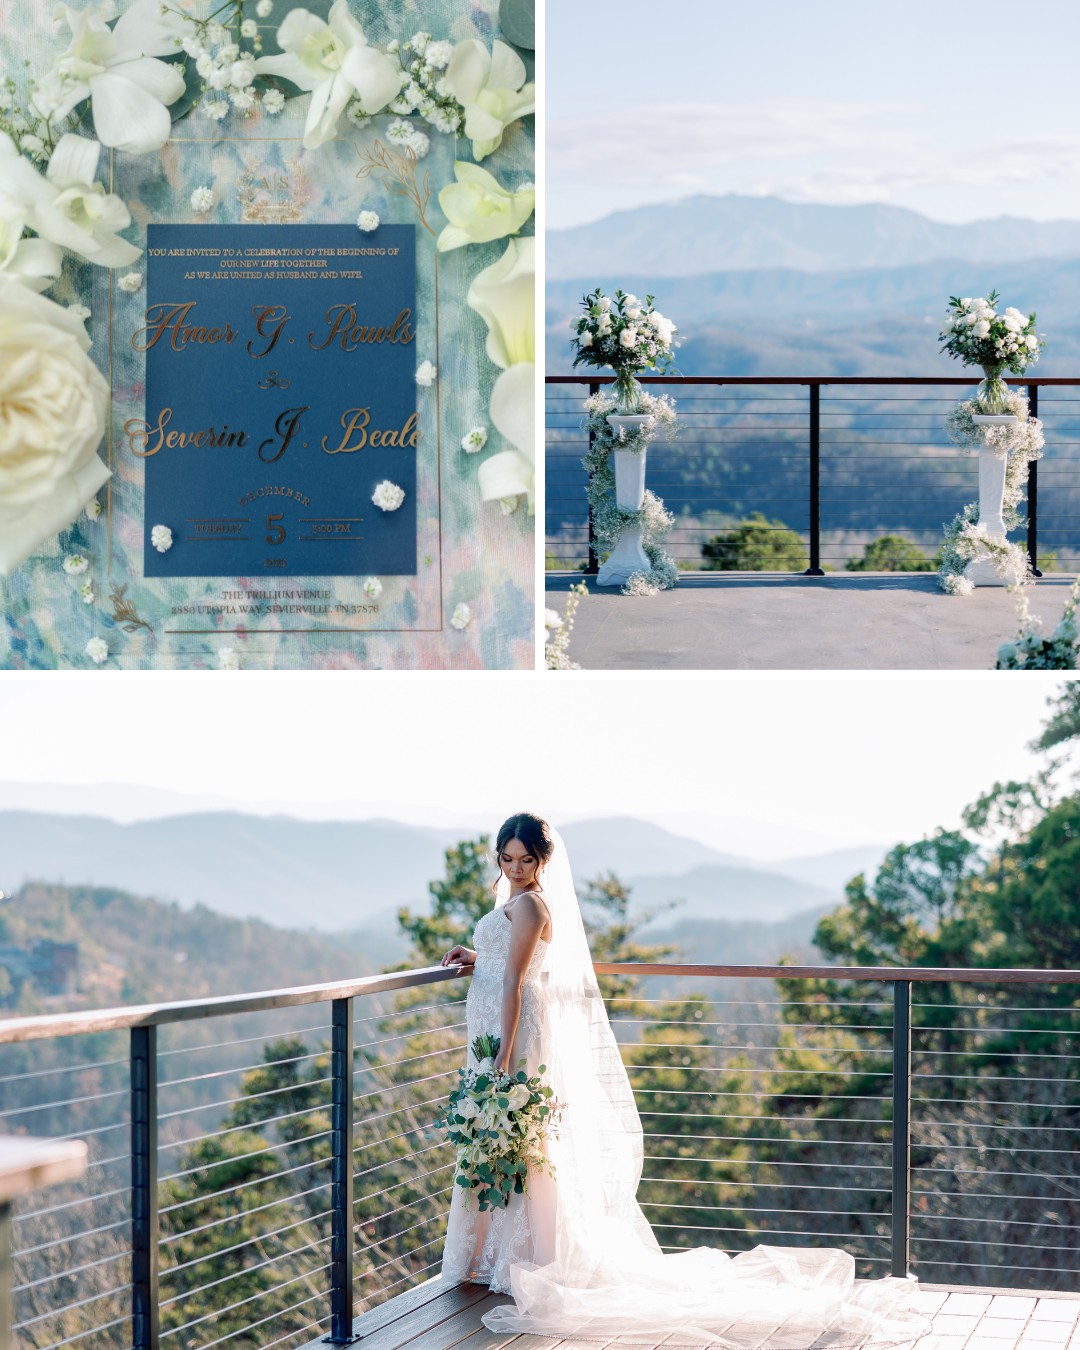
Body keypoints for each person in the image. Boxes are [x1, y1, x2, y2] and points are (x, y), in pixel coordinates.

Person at [440, 814, 928, 1349]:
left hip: (513, 1034)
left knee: (523, 1140)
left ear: (543, 861)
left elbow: (517, 978)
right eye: (506, 859)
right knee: (514, 1141)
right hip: (496, 1028)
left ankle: (522, 1257)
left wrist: (505, 1055)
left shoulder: (532, 902)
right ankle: (503, 1254)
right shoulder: (515, 900)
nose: (514, 869)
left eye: (525, 860)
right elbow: (509, 963)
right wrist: (476, 957)